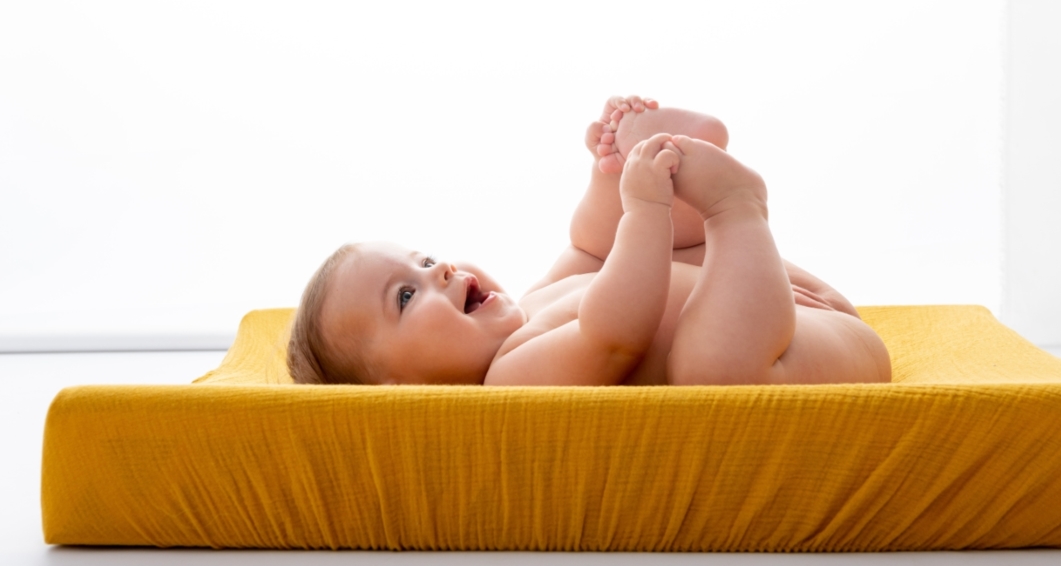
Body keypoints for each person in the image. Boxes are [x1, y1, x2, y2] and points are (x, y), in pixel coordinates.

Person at [287, 96, 891, 387]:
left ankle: (648, 157)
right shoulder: (509, 382)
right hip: (786, 357)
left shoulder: (533, 305)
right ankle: (736, 210)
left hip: (791, 314)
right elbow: (614, 334)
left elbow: (591, 252)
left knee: (603, 249)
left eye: (424, 259)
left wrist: (610, 181)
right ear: (399, 392)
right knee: (710, 370)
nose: (438, 271)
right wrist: (645, 209)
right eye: (404, 296)